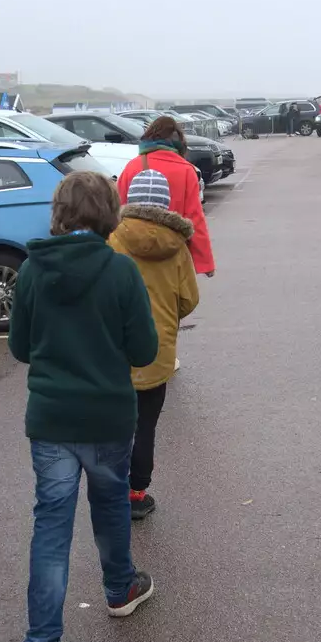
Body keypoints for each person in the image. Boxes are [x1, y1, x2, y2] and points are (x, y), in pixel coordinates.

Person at [8, 170, 159, 642]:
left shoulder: (32, 270)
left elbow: (19, 348)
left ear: (60, 211)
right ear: (108, 212)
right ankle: (120, 591)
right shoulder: (120, 271)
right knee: (111, 504)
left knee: (51, 526)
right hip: (108, 415)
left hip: (51, 419)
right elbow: (144, 350)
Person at [108, 176, 200, 519]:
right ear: (166, 203)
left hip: (115, 352)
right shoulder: (177, 244)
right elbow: (189, 299)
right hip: (157, 352)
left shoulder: (111, 238)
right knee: (146, 424)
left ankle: (111, 489)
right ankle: (137, 493)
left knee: (117, 424)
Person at [116, 115, 216, 277]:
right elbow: (194, 218)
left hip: (133, 253)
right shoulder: (186, 170)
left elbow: (117, 212)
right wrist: (205, 262)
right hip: (172, 253)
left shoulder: (132, 167)